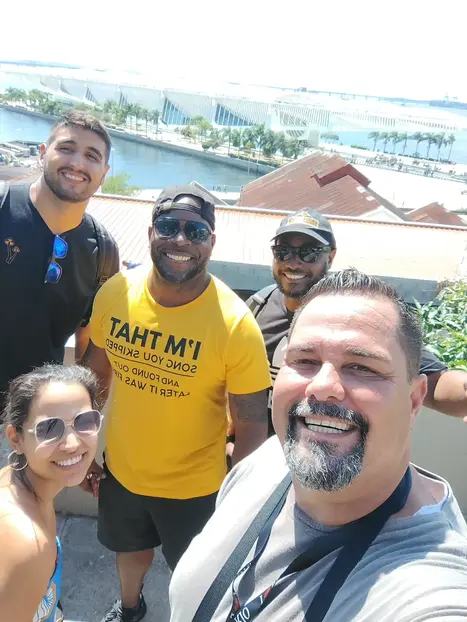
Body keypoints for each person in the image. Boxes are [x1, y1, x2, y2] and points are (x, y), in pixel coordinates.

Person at [169, 269, 467, 622]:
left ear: (414, 400)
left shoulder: (427, 590)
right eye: (305, 361)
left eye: (362, 367)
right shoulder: (268, 461)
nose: (322, 386)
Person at [82, 184, 271, 622]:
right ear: (150, 233)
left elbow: (250, 425)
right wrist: (81, 447)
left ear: (211, 242)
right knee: (129, 552)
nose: (181, 240)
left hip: (197, 489)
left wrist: (239, 503)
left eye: (196, 231)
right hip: (122, 471)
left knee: (197, 577)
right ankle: (130, 608)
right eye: (168, 227)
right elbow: (94, 377)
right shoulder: (116, 294)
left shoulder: (235, 325)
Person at [246, 208, 467, 435]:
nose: (293, 263)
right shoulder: (256, 308)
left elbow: (434, 381)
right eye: (283, 252)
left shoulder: (357, 315)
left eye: (309, 253)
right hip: (260, 449)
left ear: (330, 257)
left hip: (325, 444)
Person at [0, 111, 119, 413]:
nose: (77, 163)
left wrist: (80, 420)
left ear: (104, 173)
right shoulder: (2, 207)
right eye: (67, 148)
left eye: (91, 156)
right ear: (43, 153)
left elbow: (89, 347)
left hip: (34, 424)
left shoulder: (103, 251)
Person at [0, 364, 102, 622]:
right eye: (49, 429)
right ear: (16, 439)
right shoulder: (27, 543)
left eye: (85, 422)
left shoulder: (13, 479)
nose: (72, 444)